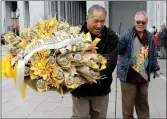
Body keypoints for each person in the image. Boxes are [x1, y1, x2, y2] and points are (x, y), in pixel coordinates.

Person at [70, 5, 119, 119]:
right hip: (79, 87)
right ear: (87, 18)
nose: (99, 25)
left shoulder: (111, 36)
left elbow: (111, 61)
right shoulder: (76, 33)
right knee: (80, 116)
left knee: (99, 116)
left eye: (102, 21)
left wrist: (100, 73)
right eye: (96, 21)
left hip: (100, 87)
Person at [117, 11, 160, 119]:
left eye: (143, 22)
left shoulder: (149, 37)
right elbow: (118, 50)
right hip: (128, 77)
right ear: (135, 22)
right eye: (138, 22)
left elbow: (153, 54)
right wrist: (117, 41)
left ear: (146, 23)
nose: (140, 24)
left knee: (143, 107)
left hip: (143, 78)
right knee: (128, 107)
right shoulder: (126, 35)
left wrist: (155, 68)